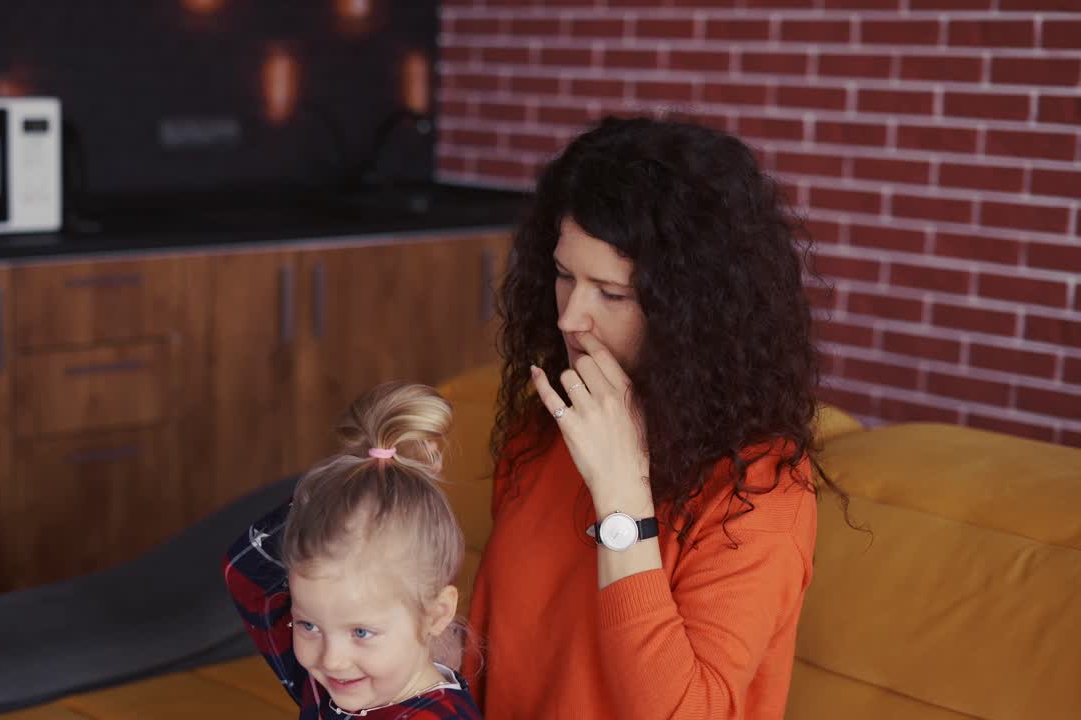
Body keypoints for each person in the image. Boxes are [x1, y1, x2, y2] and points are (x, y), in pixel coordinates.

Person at [462, 115, 847, 719]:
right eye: (564, 277)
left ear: (693, 311)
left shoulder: (760, 494)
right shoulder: (546, 427)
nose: (570, 318)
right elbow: (505, 656)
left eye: (612, 294)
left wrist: (621, 499)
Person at [224, 382, 483, 719]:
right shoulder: (335, 681)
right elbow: (247, 569)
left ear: (435, 614)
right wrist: (351, 491)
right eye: (307, 625)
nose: (331, 659)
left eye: (361, 632)